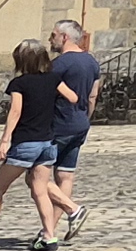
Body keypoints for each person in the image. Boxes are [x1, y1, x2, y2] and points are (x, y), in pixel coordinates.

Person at [0, 39, 79, 251]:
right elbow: (73, 97)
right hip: (47, 143)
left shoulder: (19, 84)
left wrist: (5, 140)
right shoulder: (53, 79)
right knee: (40, 190)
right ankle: (49, 236)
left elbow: (15, 112)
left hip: (26, 143)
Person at [44, 20, 104, 237]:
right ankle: (49, 228)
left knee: (35, 175)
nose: (50, 40)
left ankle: (73, 210)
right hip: (79, 124)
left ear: (65, 37)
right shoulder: (92, 63)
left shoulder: (59, 65)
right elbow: (92, 96)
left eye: (53, 35)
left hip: (58, 124)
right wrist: (86, 118)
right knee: (65, 175)